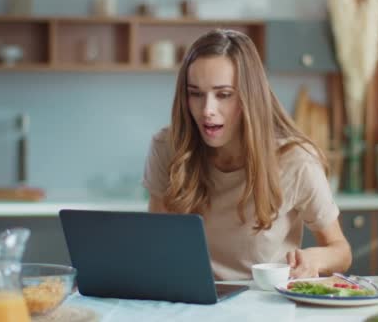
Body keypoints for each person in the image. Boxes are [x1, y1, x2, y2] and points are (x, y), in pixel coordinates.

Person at [142, 29, 352, 280]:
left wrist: (314, 258)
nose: (207, 110)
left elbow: (341, 252)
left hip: (263, 305)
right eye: (195, 93)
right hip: (189, 302)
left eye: (224, 95)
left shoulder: (296, 161)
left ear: (249, 97)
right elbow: (154, 244)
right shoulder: (168, 147)